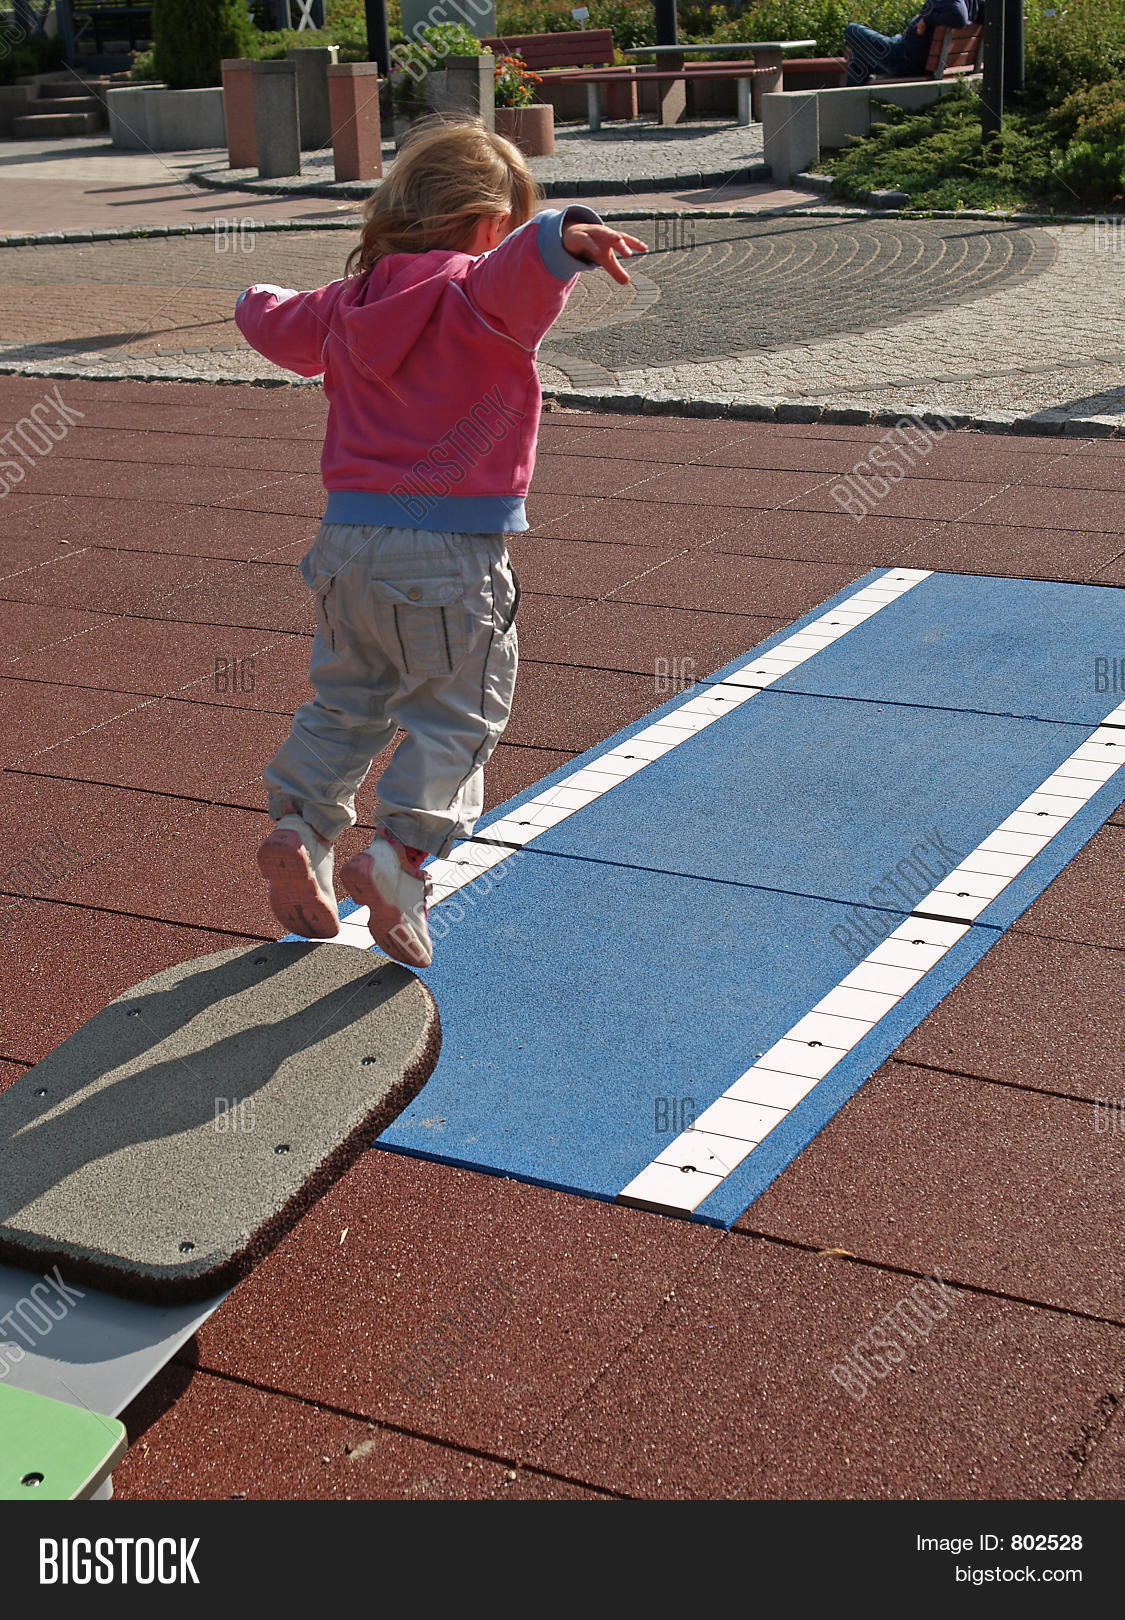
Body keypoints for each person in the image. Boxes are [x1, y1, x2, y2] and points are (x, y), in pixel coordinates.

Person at [235, 118, 647, 969]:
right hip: (450, 553)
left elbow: (271, 323)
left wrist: (253, 295)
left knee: (346, 701)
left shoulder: (347, 304)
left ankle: (301, 826)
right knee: (457, 717)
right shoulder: (478, 293)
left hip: (345, 544)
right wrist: (564, 236)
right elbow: (525, 269)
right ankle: (400, 856)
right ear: (491, 225)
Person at [844, 0, 982, 86]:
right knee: (861, 58)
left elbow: (959, 17)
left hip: (906, 60)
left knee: (852, 31)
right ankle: (851, 106)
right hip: (912, 54)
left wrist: (927, 19)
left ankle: (849, 109)